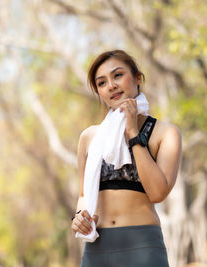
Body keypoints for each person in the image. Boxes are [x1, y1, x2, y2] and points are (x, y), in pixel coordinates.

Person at [71, 49, 182, 267]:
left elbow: (158, 193)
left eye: (118, 75)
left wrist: (133, 134)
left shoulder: (165, 133)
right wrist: (79, 217)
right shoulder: (89, 137)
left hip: (143, 248)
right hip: (97, 249)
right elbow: (84, 194)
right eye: (101, 83)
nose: (111, 85)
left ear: (138, 78)